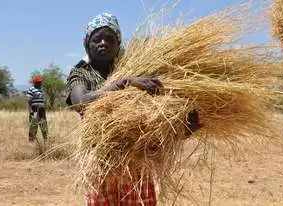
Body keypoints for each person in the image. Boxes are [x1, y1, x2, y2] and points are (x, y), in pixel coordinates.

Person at [66, 13, 200, 206]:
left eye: (109, 39)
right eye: (97, 39)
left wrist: (181, 129)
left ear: (118, 44)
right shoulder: (81, 74)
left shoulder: (135, 70)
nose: (103, 43)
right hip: (102, 167)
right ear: (87, 44)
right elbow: (81, 102)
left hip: (136, 166)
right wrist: (125, 83)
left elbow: (152, 122)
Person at [26, 76, 48, 142]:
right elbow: (29, 101)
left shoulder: (41, 90)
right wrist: (31, 110)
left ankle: (46, 140)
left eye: (40, 82)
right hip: (35, 110)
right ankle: (31, 141)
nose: (40, 83)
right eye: (38, 82)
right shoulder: (31, 89)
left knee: (43, 124)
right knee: (34, 125)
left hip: (42, 110)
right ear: (35, 83)